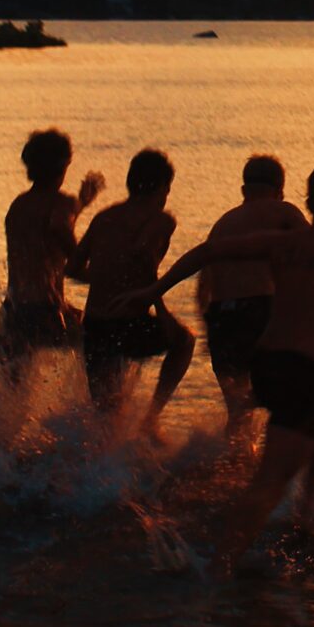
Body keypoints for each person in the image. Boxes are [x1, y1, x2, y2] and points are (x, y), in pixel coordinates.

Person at [122, 162, 314, 572]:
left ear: (309, 203)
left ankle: (306, 513)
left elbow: (210, 253)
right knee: (268, 483)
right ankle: (219, 571)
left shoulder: (286, 245)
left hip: (267, 365)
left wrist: (152, 290)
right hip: (300, 375)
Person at [71, 148, 193, 436]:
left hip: (95, 325)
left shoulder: (104, 217)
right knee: (184, 342)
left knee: (104, 419)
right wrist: (163, 312)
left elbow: (72, 267)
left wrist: (105, 281)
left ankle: (89, 474)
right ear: (164, 187)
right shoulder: (161, 220)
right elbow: (144, 258)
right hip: (128, 325)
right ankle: (150, 419)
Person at [194, 154, 306, 432]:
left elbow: (203, 287)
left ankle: (232, 467)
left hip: (220, 318)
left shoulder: (222, 225)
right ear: (280, 190)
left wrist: (207, 328)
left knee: (237, 413)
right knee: (290, 399)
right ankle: (286, 470)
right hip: (260, 311)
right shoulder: (284, 212)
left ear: (244, 190)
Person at [0, 129, 104, 387]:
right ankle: (102, 422)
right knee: (107, 343)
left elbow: (48, 227)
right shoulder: (61, 205)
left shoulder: (18, 206)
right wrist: (110, 279)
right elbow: (72, 260)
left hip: (12, 314)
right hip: (47, 313)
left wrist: (81, 202)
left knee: (6, 403)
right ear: (62, 165)